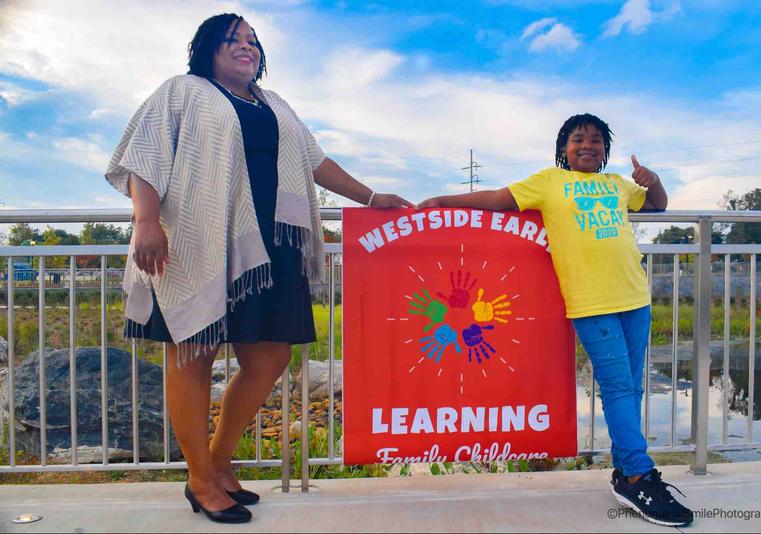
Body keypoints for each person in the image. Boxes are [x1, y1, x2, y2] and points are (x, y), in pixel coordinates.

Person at [105, 13, 412, 524]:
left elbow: (316, 161)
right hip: (197, 242)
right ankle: (200, 480)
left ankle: (219, 461)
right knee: (194, 355)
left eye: (251, 41)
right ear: (208, 49)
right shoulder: (182, 91)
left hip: (270, 247)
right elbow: (145, 156)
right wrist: (146, 219)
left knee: (268, 360)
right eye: (232, 40)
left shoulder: (274, 105)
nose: (245, 47)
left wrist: (370, 196)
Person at [417, 113, 693, 527]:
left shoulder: (618, 184)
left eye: (596, 140)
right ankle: (637, 474)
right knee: (618, 385)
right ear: (563, 149)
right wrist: (442, 201)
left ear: (606, 150)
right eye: (578, 139)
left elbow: (658, 205)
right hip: (591, 302)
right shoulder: (549, 182)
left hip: (636, 297)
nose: (588, 145)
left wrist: (652, 181)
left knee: (632, 386)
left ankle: (625, 469)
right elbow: (497, 198)